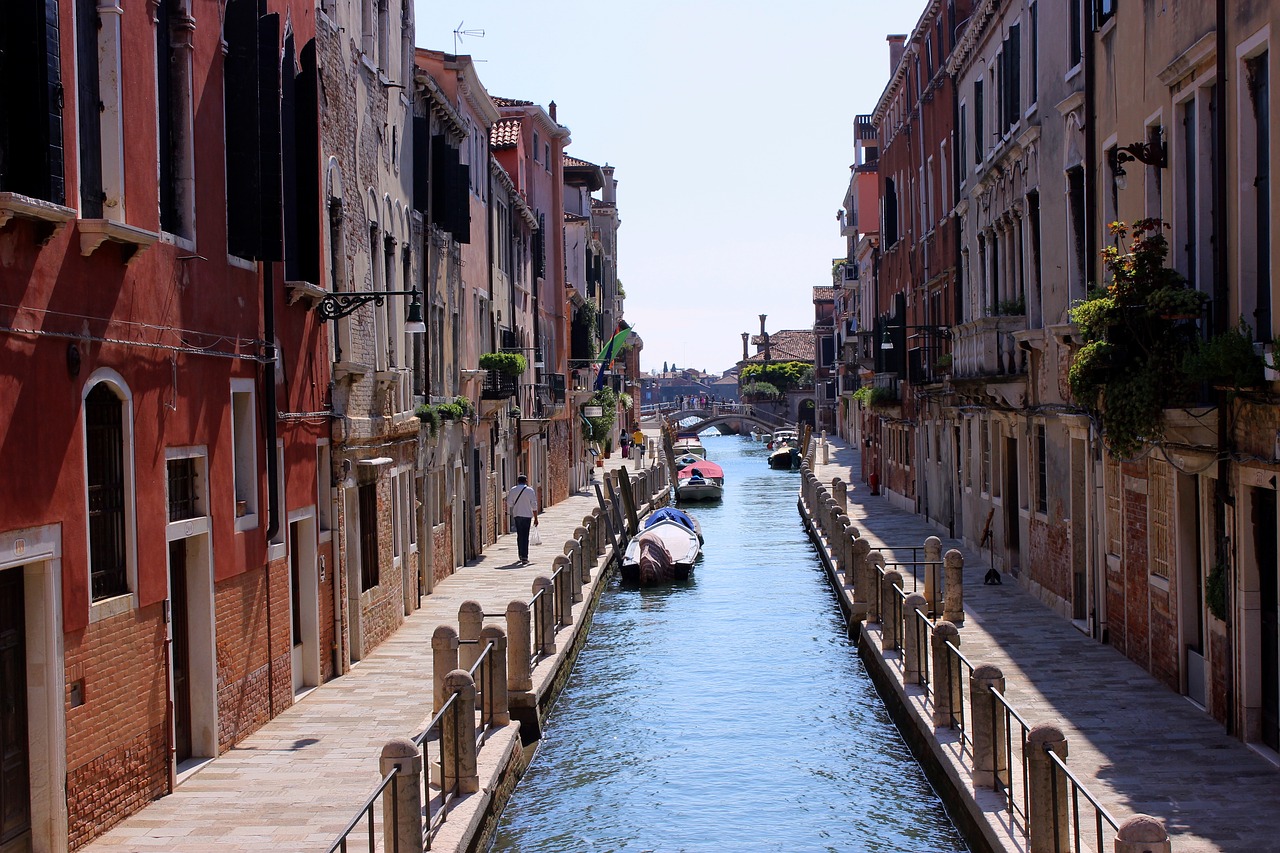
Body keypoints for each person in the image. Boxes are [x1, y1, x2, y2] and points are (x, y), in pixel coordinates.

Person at [505, 474, 539, 566]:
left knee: (520, 535)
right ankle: (525, 557)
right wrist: (536, 518)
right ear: (526, 481)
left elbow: (509, 504)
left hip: (517, 515)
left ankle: (520, 554)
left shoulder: (513, 490)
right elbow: (534, 505)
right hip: (527, 515)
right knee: (525, 536)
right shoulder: (530, 490)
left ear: (518, 481)